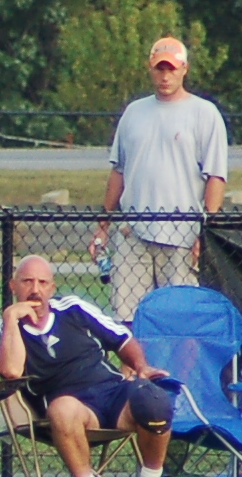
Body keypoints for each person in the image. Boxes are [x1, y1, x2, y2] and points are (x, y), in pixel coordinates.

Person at [0, 254, 174, 477]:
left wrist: (141, 366)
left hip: (112, 393)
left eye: (42, 282)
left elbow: (122, 339)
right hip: (70, 409)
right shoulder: (5, 328)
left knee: (154, 399)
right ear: (13, 286)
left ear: (52, 287)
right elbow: (10, 371)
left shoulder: (73, 309)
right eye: (27, 282)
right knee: (63, 409)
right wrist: (10, 318)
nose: (35, 290)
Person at [92, 35, 229, 317]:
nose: (165, 76)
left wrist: (206, 233)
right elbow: (118, 171)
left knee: (179, 320)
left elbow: (216, 177)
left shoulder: (204, 114)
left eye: (171, 69)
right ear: (150, 69)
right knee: (127, 319)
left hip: (182, 237)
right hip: (133, 233)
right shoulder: (134, 113)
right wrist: (103, 225)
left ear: (184, 69)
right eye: (159, 69)